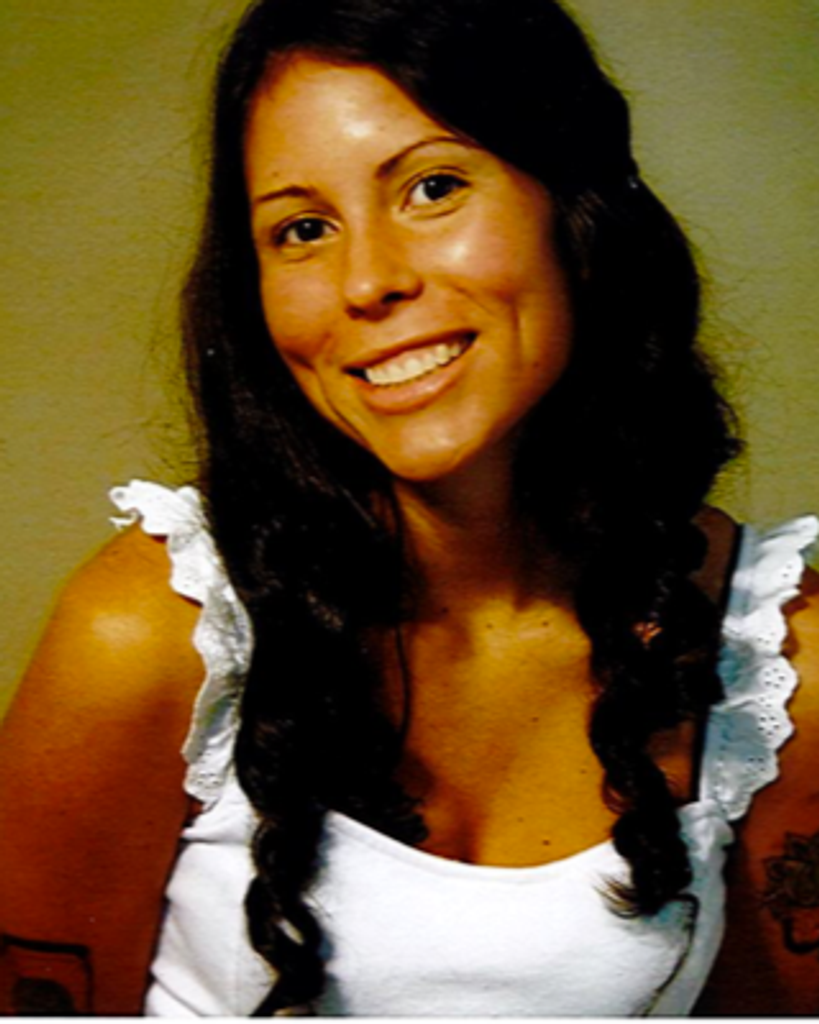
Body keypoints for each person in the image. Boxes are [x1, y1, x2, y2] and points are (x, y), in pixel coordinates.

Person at [1, 0, 818, 1015]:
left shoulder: (777, 663)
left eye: (433, 188)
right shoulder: (149, 636)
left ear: (577, 209)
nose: (368, 282)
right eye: (302, 229)